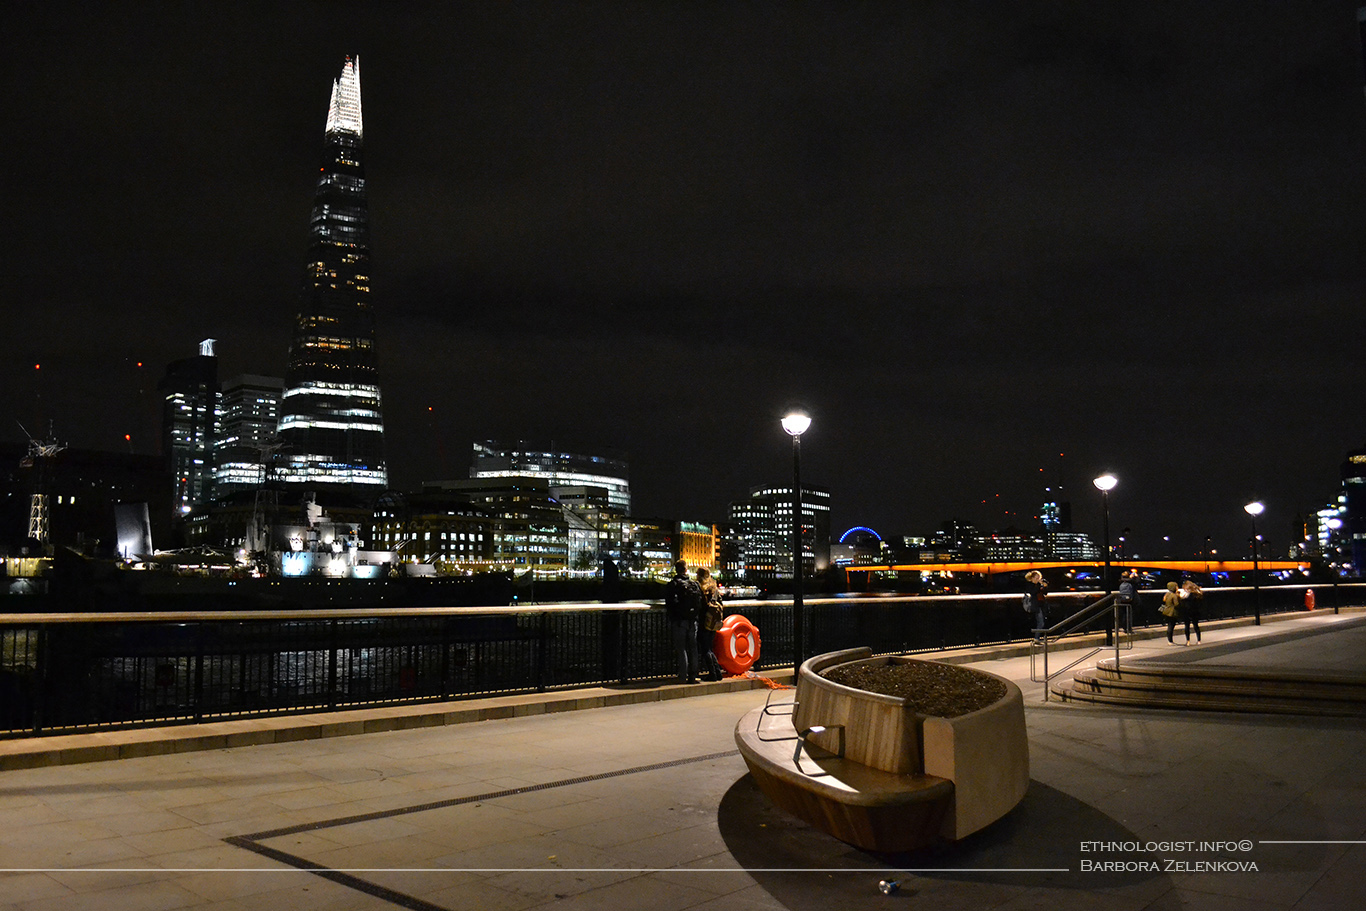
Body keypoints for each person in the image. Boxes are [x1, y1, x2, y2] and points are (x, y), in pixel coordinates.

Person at [664, 560, 701, 682]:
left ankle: (683, 675)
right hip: (693, 620)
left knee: (681, 648)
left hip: (679, 621)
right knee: (693, 648)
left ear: (676, 570)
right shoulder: (694, 584)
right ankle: (693, 674)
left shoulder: (673, 585)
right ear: (686, 570)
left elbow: (669, 603)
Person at [696, 567, 725, 681]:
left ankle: (713, 673)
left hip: (704, 621)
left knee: (705, 649)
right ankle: (717, 672)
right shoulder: (714, 589)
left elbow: (700, 606)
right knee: (709, 648)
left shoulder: (701, 588)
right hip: (713, 622)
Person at [1025, 570, 1048, 641]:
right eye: (1036, 578)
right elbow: (1033, 592)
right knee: (1040, 622)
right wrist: (1039, 585)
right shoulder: (1030, 585)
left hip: (1041, 605)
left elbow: (1045, 593)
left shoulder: (1039, 585)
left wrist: (1045, 586)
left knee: (1042, 622)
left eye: (1039, 578)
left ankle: (1038, 637)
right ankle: (1036, 638)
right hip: (1035, 606)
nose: (1038, 579)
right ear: (1032, 578)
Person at [1116, 569, 1140, 634]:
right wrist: (1136, 576)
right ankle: (1129, 628)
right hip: (1131, 600)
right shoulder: (1131, 581)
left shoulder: (1121, 581)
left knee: (1124, 614)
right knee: (1130, 614)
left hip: (1123, 599)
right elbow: (1137, 582)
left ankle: (1124, 628)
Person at [1181, 579, 1204, 643]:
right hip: (1195, 612)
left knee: (1187, 626)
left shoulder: (1186, 595)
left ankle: (1188, 641)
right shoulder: (1197, 594)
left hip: (1187, 612)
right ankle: (1199, 640)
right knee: (1196, 625)